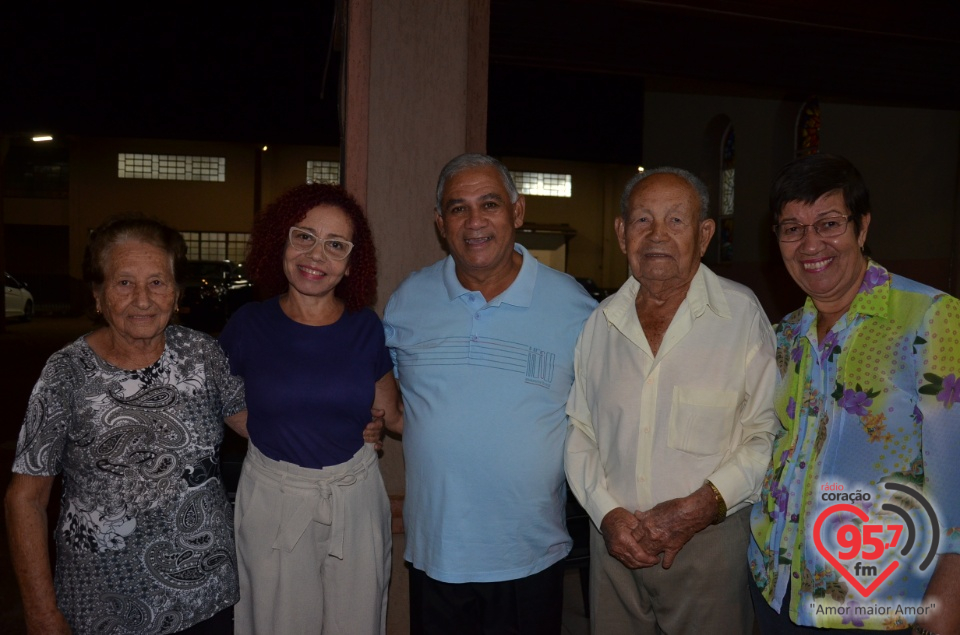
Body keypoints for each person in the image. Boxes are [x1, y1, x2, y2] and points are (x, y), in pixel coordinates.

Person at [383, 153, 596, 634]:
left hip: (529, 554)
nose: (475, 221)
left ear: (517, 212)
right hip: (436, 552)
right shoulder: (407, 301)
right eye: (458, 208)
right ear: (441, 224)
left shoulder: (576, 309)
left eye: (490, 204)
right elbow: (387, 401)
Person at [5, 216, 247, 634]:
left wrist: (349, 421)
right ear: (98, 294)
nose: (143, 299)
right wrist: (41, 613)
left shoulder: (203, 356)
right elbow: (24, 500)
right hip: (104, 608)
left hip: (207, 599)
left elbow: (261, 427)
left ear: (176, 293)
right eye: (124, 283)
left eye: (157, 282)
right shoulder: (67, 373)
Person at [750, 154, 959, 634]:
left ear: (862, 228)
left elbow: (958, 476)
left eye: (829, 223)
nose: (811, 244)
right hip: (775, 590)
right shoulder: (784, 337)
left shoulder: (930, 320)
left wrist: (948, 599)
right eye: (792, 229)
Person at [565, 167, 779, 634]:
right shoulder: (599, 325)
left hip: (708, 542)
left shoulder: (741, 316)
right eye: (643, 220)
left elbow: (767, 434)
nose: (657, 235)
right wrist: (607, 514)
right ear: (622, 234)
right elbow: (580, 432)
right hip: (614, 543)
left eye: (676, 221)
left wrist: (700, 507)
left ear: (704, 235)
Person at [218, 182, 402, 635]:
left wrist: (371, 427)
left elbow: (390, 413)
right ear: (281, 240)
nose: (316, 255)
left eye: (335, 245)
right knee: (277, 622)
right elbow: (220, 404)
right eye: (305, 236)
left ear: (350, 265)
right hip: (274, 497)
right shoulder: (248, 325)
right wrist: (276, 430)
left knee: (356, 623)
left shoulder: (365, 327)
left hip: (354, 496)